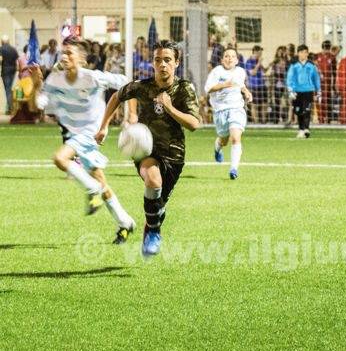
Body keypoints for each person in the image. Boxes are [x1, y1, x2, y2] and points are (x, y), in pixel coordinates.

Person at [96, 40, 201, 256]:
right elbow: (117, 96)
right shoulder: (142, 87)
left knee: (158, 205)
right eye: (158, 60)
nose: (162, 64)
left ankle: (152, 223)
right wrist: (104, 126)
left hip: (174, 155)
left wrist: (169, 107)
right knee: (153, 180)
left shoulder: (184, 88)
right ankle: (153, 231)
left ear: (177, 63)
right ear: (152, 62)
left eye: (167, 60)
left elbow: (194, 124)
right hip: (146, 151)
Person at [30, 36, 135, 243]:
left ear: (81, 59)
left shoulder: (93, 77)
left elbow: (128, 85)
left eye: (70, 53)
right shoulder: (55, 80)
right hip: (75, 134)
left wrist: (132, 115)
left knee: (60, 158)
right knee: (101, 181)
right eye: (64, 53)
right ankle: (125, 222)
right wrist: (36, 85)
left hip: (90, 134)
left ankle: (91, 190)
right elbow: (38, 106)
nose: (65, 56)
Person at [206, 47, 253, 179]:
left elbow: (240, 84)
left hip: (236, 108)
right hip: (220, 110)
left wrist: (246, 92)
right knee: (224, 140)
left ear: (237, 60)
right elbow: (208, 88)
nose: (229, 58)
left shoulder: (240, 72)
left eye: (232, 56)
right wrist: (224, 85)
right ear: (222, 60)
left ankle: (233, 169)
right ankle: (217, 148)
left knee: (235, 137)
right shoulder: (216, 72)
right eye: (226, 56)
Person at [286, 44, 321, 138]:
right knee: (298, 111)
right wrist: (290, 90)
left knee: (307, 110)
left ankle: (306, 129)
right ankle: (301, 129)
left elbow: (316, 78)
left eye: (305, 52)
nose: (303, 54)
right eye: (301, 52)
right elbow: (290, 78)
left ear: (307, 53)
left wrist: (319, 91)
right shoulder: (294, 65)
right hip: (297, 91)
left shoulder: (311, 65)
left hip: (308, 90)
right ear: (298, 53)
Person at [244, 45, 267, 123]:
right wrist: (259, 63)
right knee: (254, 105)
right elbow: (253, 73)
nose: (261, 55)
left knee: (264, 104)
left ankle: (264, 122)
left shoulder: (258, 61)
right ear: (255, 52)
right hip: (254, 86)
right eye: (260, 53)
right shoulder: (249, 61)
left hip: (262, 85)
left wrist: (269, 65)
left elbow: (264, 71)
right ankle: (256, 122)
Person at [316, 40, 336, 124]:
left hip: (327, 82)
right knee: (319, 100)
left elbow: (334, 72)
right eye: (325, 48)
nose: (326, 49)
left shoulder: (332, 57)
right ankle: (320, 118)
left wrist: (334, 83)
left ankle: (327, 118)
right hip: (318, 82)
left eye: (327, 48)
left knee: (327, 100)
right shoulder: (317, 56)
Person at [0, 35, 19, 114]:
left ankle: (11, 108)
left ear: (2, 41)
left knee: (7, 89)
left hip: (5, 70)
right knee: (9, 88)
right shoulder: (13, 49)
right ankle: (8, 107)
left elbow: (0, 59)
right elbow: (17, 60)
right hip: (13, 70)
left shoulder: (1, 49)